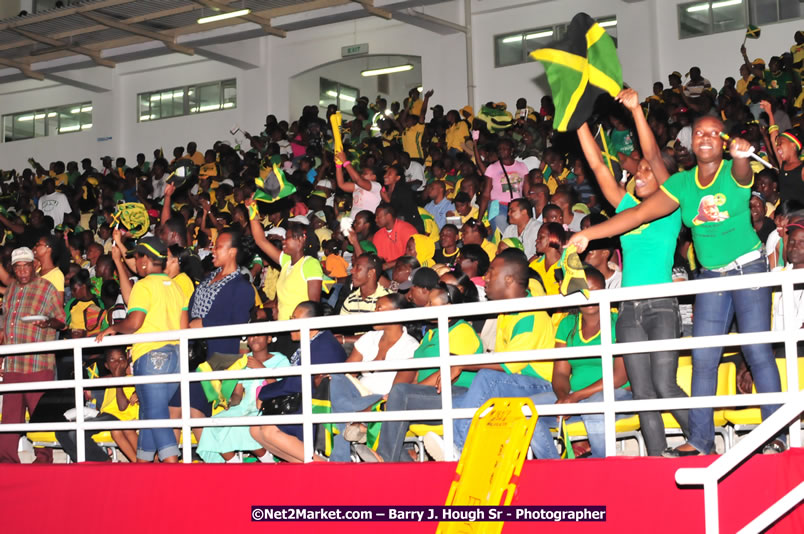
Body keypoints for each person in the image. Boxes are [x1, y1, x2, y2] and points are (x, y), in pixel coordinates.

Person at [570, 114, 785, 456]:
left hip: (748, 269)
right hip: (711, 276)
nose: (705, 137)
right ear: (690, 140)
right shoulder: (682, 185)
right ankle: (700, 441)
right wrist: (588, 233)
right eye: (699, 131)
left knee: (757, 349)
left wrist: (743, 157)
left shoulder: (734, 169)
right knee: (702, 359)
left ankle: (775, 434)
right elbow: (636, 215)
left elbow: (743, 175)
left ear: (723, 141)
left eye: (714, 133)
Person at [576, 88, 688, 456]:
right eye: (636, 171)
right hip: (628, 309)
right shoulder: (626, 207)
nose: (638, 175)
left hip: (659, 306)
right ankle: (657, 460)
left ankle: (701, 441)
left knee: (664, 385)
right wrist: (577, 123)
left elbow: (654, 155)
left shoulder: (671, 206)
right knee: (642, 394)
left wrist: (637, 111)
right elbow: (597, 169)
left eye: (645, 172)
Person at [423, 249, 559, 460]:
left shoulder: (530, 315)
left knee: (487, 378)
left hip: (540, 384)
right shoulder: (508, 309)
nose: (485, 278)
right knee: (457, 405)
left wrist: (461, 363)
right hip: (514, 382)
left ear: (509, 279)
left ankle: (459, 448)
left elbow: (508, 365)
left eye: (491, 272)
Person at [95, 236, 189, 463]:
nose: (136, 262)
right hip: (176, 357)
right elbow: (184, 328)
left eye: (137, 257)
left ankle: (174, 471)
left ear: (145, 260)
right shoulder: (176, 287)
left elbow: (135, 322)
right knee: (148, 412)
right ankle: (142, 466)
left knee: (156, 415)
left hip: (151, 355)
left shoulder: (144, 286)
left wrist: (114, 328)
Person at [168, 228, 256, 433]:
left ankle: (216, 460)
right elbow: (190, 313)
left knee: (194, 411)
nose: (212, 250)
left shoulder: (242, 287)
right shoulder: (207, 280)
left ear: (232, 252)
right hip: (193, 355)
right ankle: (172, 464)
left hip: (217, 360)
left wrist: (204, 324)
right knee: (174, 408)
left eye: (218, 247)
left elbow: (239, 322)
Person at [250, 301, 346, 463]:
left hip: (322, 405)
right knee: (255, 430)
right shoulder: (314, 342)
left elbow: (297, 383)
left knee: (268, 431)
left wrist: (265, 393)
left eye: (294, 318)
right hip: (307, 400)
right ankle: (305, 465)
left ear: (312, 323)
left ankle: (320, 464)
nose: (290, 323)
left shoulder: (322, 344)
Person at [551, 267, 631, 458]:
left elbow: (619, 377)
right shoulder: (567, 324)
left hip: (617, 395)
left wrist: (575, 397)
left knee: (594, 407)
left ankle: (603, 471)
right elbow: (560, 373)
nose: (589, 297)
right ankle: (555, 468)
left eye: (595, 291)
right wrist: (564, 397)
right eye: (582, 291)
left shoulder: (618, 322)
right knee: (531, 411)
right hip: (575, 397)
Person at [329, 293, 419, 462]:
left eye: (379, 308)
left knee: (339, 409)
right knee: (336, 379)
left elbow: (399, 388)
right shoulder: (369, 337)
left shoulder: (410, 346)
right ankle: (358, 424)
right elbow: (347, 372)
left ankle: (341, 456)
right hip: (357, 396)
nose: (374, 312)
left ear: (397, 312)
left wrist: (370, 408)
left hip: (380, 400)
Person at [0, 247, 66, 463]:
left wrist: (48, 322)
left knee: (39, 413)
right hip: (13, 364)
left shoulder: (46, 288)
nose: (22, 271)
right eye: (17, 267)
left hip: (37, 362)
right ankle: (6, 459)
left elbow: (62, 321)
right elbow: (5, 327)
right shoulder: (10, 290)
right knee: (10, 415)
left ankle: (43, 457)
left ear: (34, 265)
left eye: (26, 266)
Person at [196, 331, 290, 463]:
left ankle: (268, 461)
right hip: (244, 407)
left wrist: (261, 369)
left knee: (240, 426)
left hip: (268, 407)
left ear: (269, 339)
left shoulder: (281, 360)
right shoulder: (243, 360)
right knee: (213, 424)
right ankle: (234, 464)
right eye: (251, 335)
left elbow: (282, 389)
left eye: (259, 335)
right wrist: (229, 401)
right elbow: (238, 395)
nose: (254, 338)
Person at [55, 347, 140, 463]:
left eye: (121, 358)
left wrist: (117, 379)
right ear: (106, 365)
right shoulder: (109, 380)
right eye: (112, 360)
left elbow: (122, 407)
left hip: (121, 418)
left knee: (76, 432)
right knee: (62, 431)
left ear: (126, 362)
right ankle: (95, 461)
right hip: (105, 415)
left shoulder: (131, 380)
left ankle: (104, 462)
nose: (117, 362)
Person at [248, 203, 323, 321]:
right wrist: (252, 211)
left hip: (299, 328)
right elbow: (260, 240)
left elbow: (313, 306)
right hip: (283, 326)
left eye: (287, 238)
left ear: (300, 240)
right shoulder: (286, 262)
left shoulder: (310, 264)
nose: (283, 242)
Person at [477, 138, 529, 232]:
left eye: (505, 148)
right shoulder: (492, 168)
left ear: (512, 150)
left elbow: (527, 192)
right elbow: (486, 194)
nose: (501, 150)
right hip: (497, 206)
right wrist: (479, 218)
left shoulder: (522, 167)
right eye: (499, 149)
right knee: (503, 233)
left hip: (516, 207)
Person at [334, 152, 382, 216]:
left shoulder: (377, 186)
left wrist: (345, 162)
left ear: (374, 176)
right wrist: (338, 165)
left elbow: (358, 180)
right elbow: (341, 185)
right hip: (354, 220)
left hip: (366, 221)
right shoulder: (359, 185)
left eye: (365, 173)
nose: (361, 175)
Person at [372, 203, 418, 268]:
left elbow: (411, 257)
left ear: (388, 216)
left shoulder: (407, 230)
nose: (375, 220)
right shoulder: (378, 235)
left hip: (406, 266)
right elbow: (378, 259)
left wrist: (387, 265)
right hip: (388, 269)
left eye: (378, 217)